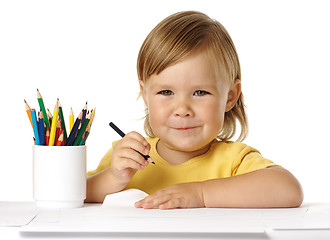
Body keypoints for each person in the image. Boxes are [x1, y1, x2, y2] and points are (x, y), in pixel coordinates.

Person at [86, 11, 303, 209]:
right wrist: (114, 178)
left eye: (200, 92)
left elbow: (289, 190)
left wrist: (200, 194)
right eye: (166, 92)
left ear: (230, 96)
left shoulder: (233, 161)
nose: (182, 110)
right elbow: (77, 194)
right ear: (145, 94)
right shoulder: (127, 156)